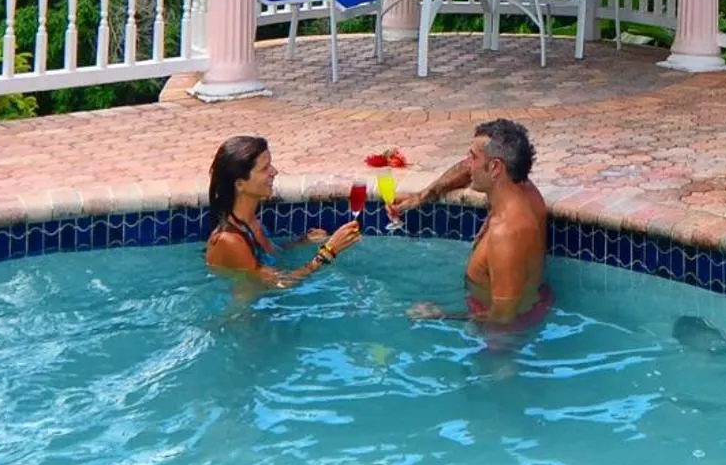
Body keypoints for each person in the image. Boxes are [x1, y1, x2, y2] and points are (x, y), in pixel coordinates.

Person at [389, 118, 550, 327]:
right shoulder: (517, 186)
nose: (467, 163)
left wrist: (441, 315)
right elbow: (467, 170)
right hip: (528, 302)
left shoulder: (507, 233)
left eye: (472, 157)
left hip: (505, 337)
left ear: (495, 167)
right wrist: (421, 197)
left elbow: (504, 318)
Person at [204, 134, 360, 288]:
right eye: (265, 168)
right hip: (244, 313)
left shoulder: (250, 222)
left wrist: (299, 243)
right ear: (240, 184)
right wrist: (328, 251)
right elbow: (281, 284)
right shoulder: (229, 240)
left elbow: (267, 258)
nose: (274, 172)